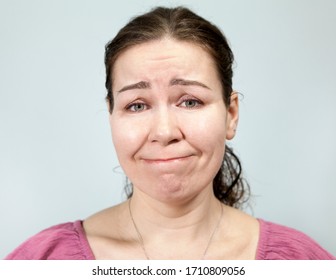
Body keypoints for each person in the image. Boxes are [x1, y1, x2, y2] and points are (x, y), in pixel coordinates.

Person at [5, 6, 335, 260]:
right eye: (137, 105)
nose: (164, 132)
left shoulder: (300, 261)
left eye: (190, 101)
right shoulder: (42, 261)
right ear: (111, 116)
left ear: (231, 115)